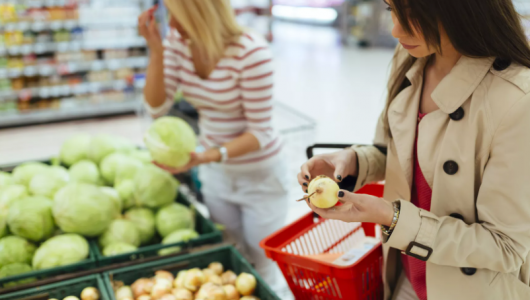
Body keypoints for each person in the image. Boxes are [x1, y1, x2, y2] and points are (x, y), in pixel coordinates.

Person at [298, 0, 530, 299]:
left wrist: (392, 218)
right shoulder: (410, 57)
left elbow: (506, 247)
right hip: (405, 276)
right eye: (390, 9)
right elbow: (398, 150)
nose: (395, 29)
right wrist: (356, 160)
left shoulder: (517, 100)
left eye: (415, 15)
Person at [138, 0, 289, 289]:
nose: (172, 25)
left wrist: (206, 156)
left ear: (202, 14)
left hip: (259, 178)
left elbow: (261, 133)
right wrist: (156, 51)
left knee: (262, 262)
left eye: (178, 16)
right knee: (230, 257)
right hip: (216, 174)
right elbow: (156, 106)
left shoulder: (251, 53)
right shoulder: (179, 42)